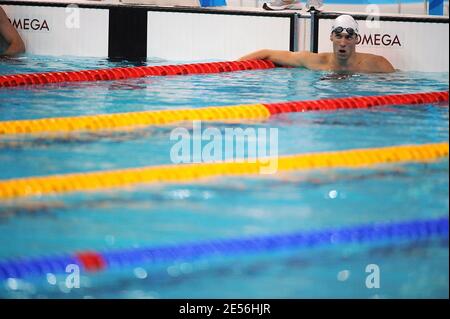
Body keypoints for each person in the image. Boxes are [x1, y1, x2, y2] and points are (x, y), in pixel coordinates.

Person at [238, 15, 395, 73]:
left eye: (348, 37)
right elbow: (267, 53)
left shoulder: (377, 64)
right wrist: (233, 67)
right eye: (338, 36)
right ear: (331, 37)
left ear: (357, 40)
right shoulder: (315, 61)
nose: (342, 42)